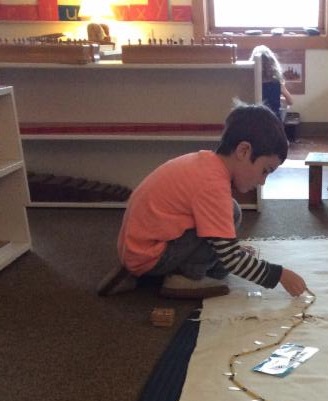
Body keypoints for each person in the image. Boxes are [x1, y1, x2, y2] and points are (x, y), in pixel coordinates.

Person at [98, 102, 306, 299]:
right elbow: (231, 260)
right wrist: (279, 275)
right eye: (265, 171)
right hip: (149, 255)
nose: (262, 181)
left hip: (139, 247)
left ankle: (139, 270)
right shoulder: (211, 185)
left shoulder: (206, 164)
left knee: (230, 213)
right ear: (243, 151)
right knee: (226, 230)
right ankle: (184, 278)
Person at [251, 45, 293, 121]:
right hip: (274, 121)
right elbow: (290, 101)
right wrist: (277, 98)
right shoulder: (277, 83)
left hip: (257, 120)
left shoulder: (252, 83)